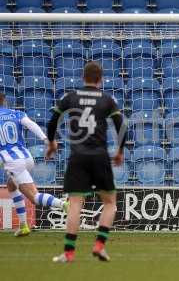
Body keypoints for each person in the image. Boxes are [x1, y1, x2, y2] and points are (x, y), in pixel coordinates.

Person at [46, 61, 127, 263]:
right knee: (109, 203)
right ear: (101, 79)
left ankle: (69, 253)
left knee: (75, 203)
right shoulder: (107, 99)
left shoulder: (70, 97)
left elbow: (52, 120)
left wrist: (52, 143)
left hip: (78, 156)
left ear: (83, 77)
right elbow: (121, 125)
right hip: (99, 155)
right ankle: (99, 246)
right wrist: (119, 151)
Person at [0, 93, 68, 237]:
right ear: (4, 101)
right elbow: (32, 125)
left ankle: (64, 205)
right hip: (27, 157)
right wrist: (46, 139)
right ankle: (24, 225)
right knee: (11, 186)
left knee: (34, 197)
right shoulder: (16, 113)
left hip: (13, 163)